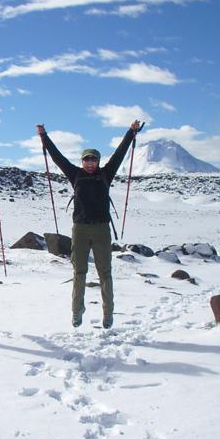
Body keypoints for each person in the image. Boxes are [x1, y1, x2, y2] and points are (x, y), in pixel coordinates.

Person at [37, 120, 142, 328]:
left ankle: (108, 313)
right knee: (79, 272)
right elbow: (57, 157)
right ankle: (77, 311)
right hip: (81, 230)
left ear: (98, 161)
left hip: (102, 229)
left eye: (93, 159)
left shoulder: (106, 173)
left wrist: (131, 132)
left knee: (105, 272)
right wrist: (44, 136)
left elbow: (120, 153)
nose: (90, 162)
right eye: (87, 159)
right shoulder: (75, 174)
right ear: (82, 161)